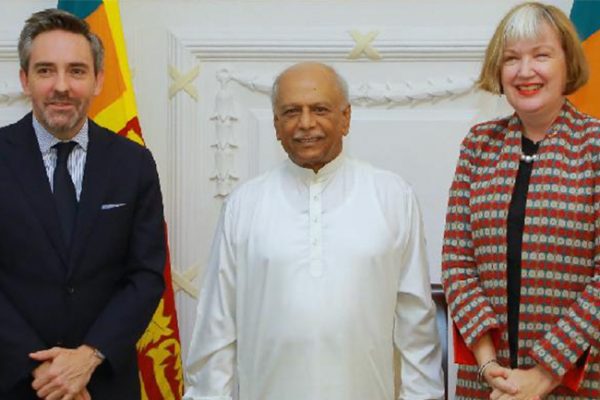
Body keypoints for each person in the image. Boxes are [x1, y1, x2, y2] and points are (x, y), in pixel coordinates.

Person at [184, 62, 444, 400]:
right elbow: (216, 329)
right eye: (291, 112)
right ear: (276, 125)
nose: (306, 123)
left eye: (320, 109)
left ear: (345, 118)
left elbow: (416, 324)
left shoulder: (392, 196)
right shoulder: (243, 205)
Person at [0, 9, 166, 399]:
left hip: (103, 383)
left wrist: (88, 357)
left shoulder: (133, 163)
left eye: (76, 71)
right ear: (24, 79)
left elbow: (146, 275)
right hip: (13, 381)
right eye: (45, 70)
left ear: (98, 80)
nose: (61, 86)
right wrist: (46, 371)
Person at [442, 2, 599, 399]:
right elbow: (458, 263)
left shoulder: (595, 146)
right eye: (511, 58)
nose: (525, 71)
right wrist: (489, 366)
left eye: (541, 55)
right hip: (488, 382)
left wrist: (543, 376)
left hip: (576, 381)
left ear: (568, 62)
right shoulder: (479, 145)